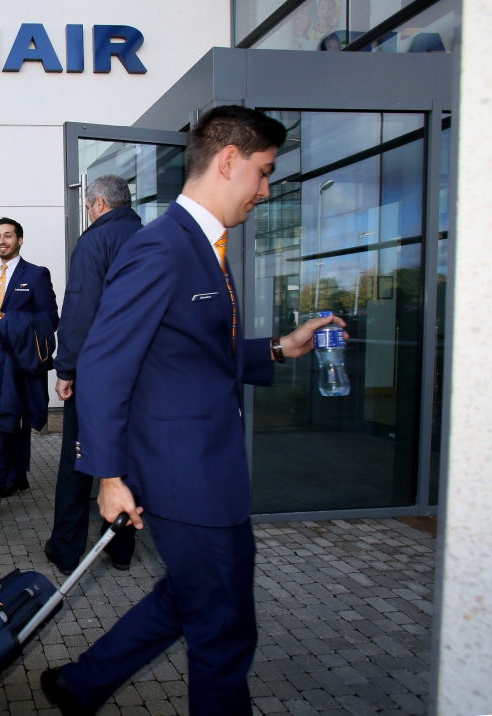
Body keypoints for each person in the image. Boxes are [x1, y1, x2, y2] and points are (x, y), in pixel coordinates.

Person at [40, 106, 347, 715]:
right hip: (186, 480)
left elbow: (197, 354)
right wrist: (107, 477)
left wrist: (282, 348)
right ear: (229, 160)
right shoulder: (161, 247)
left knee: (189, 599)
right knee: (225, 631)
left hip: (208, 472)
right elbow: (104, 363)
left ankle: (81, 685)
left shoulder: (206, 248)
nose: (265, 189)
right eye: (263, 172)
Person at [44, 174, 141, 575]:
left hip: (98, 375)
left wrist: (65, 368)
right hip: (141, 375)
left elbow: (80, 313)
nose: (88, 212)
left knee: (78, 460)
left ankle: (66, 551)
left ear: (98, 203)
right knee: (125, 457)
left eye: (87, 206)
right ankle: (120, 550)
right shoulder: (151, 239)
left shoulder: (94, 242)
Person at [0, 217, 59, 515]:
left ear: (19, 240)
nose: (2, 240)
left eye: (8, 235)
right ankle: (19, 475)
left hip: (22, 363)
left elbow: (51, 319)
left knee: (9, 424)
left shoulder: (36, 275)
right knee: (16, 420)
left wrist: (11, 322)